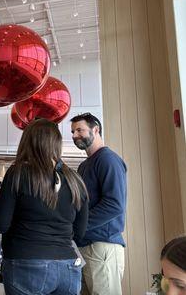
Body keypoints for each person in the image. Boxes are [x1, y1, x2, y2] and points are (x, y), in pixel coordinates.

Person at [0, 118, 89, 295]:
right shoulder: (75, 180)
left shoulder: (18, 172)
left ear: (28, 141)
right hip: (67, 265)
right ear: (56, 144)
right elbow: (80, 232)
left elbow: (1, 224)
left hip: (26, 262)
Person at [70, 113, 127, 295]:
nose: (75, 135)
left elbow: (115, 204)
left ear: (96, 129)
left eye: (80, 130)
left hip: (103, 247)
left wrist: (80, 225)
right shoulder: (84, 165)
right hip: (85, 247)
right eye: (72, 132)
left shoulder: (108, 159)